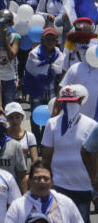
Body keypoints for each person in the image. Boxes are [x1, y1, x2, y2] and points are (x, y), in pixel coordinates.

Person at [40, 84, 97, 221]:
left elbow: (95, 159)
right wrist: (48, 183)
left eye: (72, 101)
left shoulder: (92, 125)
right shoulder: (52, 124)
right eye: (65, 102)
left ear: (80, 101)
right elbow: (46, 159)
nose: (69, 105)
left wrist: (95, 188)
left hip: (83, 187)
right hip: (59, 186)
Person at [3, 162, 84, 223]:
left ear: (52, 181)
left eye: (46, 178)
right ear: (30, 181)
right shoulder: (17, 206)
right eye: (37, 178)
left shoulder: (66, 203)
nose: (42, 181)